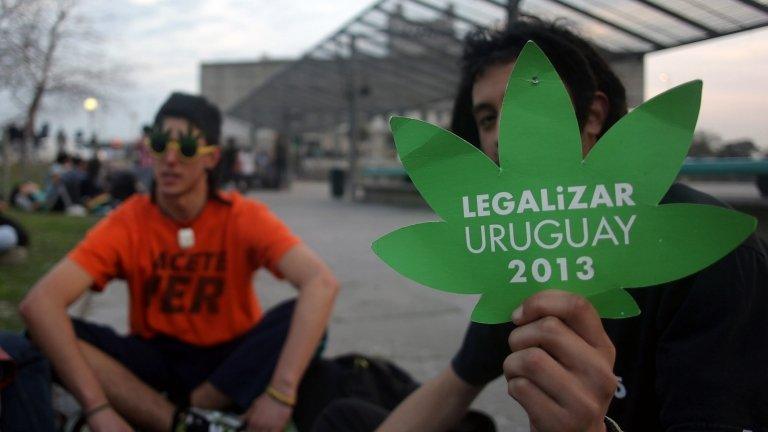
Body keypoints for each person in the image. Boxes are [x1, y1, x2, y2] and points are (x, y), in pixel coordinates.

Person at [313, 18, 767, 432]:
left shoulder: (711, 254)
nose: (498, 134)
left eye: (524, 103)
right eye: (487, 118)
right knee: (344, 418)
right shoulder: (521, 249)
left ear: (593, 116)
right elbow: (455, 385)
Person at [19, 92, 340, 432]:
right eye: (159, 145)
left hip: (229, 359)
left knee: (302, 319)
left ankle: (193, 408)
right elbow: (39, 304)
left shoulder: (242, 216)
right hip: (157, 357)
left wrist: (281, 394)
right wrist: (98, 410)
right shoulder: (129, 220)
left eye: (186, 149)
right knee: (45, 333)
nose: (170, 159)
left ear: (212, 158)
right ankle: (180, 422)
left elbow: (321, 282)